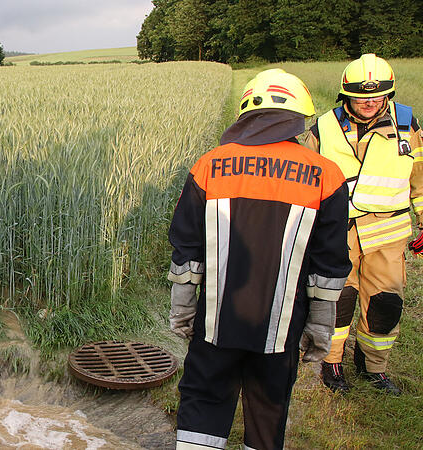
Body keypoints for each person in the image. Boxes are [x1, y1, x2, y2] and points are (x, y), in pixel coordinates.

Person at [167, 69, 351, 449]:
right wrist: (321, 323)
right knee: (268, 408)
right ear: (299, 119)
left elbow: (187, 245)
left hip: (216, 320)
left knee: (204, 397)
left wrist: (183, 307)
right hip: (282, 327)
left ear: (246, 114)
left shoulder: (210, 165)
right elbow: (329, 260)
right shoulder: (326, 176)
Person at [305, 54, 423, 395]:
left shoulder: (407, 125)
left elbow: (420, 176)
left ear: (389, 94)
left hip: (388, 236)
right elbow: (306, 183)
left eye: (377, 94)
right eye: (361, 95)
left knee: (385, 304)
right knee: (338, 300)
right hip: (337, 236)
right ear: (346, 95)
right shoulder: (323, 128)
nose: (369, 101)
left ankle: (373, 366)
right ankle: (333, 363)